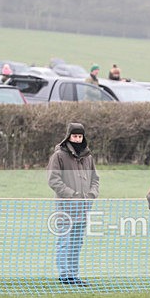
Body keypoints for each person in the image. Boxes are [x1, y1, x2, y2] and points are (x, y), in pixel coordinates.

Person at [47, 122, 100, 286]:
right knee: (64, 241)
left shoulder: (88, 157)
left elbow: (95, 179)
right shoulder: (59, 156)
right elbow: (53, 180)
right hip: (65, 208)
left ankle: (73, 275)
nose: (77, 139)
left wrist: (91, 194)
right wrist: (72, 195)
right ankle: (64, 276)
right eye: (74, 136)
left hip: (84, 208)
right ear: (68, 136)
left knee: (77, 242)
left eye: (80, 136)